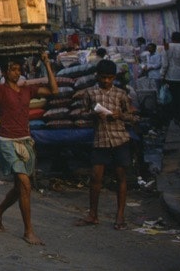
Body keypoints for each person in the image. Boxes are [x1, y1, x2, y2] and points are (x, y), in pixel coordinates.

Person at [0, 35, 58, 246]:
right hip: (7, 141)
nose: (16, 72)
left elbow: (54, 90)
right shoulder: (0, 90)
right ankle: (28, 231)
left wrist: (47, 63)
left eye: (18, 69)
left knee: (20, 187)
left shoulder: (27, 90)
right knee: (25, 183)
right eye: (12, 69)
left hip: (25, 141)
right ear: (4, 72)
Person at [74, 59, 136, 230]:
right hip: (100, 139)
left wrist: (120, 115)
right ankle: (93, 214)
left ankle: (120, 216)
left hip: (119, 139)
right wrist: (94, 115)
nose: (106, 81)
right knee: (95, 178)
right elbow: (82, 112)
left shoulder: (121, 94)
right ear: (97, 76)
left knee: (121, 178)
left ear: (114, 77)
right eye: (103, 77)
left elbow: (133, 116)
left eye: (109, 78)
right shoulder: (90, 93)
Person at [162, 31, 180, 127]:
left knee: (172, 98)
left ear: (172, 38)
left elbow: (165, 64)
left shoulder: (167, 46)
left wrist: (162, 75)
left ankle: (175, 118)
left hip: (170, 77)